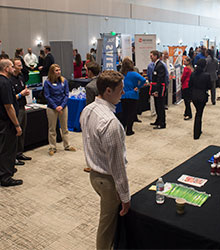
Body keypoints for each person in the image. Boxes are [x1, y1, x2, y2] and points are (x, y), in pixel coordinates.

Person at [80, 70, 130, 250]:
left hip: (94, 175)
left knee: (109, 221)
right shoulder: (111, 123)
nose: (123, 93)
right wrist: (125, 196)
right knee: (107, 226)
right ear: (108, 91)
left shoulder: (87, 110)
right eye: (120, 89)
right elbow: (117, 166)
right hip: (107, 181)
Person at [0, 59, 23, 187]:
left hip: (1, 120)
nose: (14, 69)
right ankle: (6, 178)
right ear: (6, 68)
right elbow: (9, 106)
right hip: (7, 122)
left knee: (5, 147)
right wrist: (17, 125)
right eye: (12, 67)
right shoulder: (4, 84)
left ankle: (8, 169)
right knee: (7, 149)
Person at [44, 64, 76, 156]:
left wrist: (61, 106)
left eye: (59, 70)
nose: (59, 72)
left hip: (63, 107)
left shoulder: (64, 81)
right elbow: (47, 96)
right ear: (52, 72)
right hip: (52, 108)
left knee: (64, 128)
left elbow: (66, 94)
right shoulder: (47, 82)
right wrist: (55, 107)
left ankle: (67, 145)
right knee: (52, 129)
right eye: (56, 70)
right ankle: (52, 147)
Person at [10, 58, 32, 164]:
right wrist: (21, 94)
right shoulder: (9, 80)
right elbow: (9, 98)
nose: (21, 67)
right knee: (16, 132)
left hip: (23, 107)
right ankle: (13, 157)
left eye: (21, 65)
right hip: (15, 109)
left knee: (22, 130)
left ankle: (19, 153)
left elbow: (24, 87)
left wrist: (25, 92)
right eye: (19, 66)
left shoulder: (21, 77)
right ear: (13, 67)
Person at [121, 58, 146, 136]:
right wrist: (138, 87)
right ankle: (129, 130)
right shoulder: (134, 73)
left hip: (123, 95)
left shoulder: (121, 74)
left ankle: (123, 129)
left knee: (124, 113)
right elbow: (143, 80)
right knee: (131, 113)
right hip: (133, 95)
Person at [189, 59, 211, 140]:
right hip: (202, 96)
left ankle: (198, 131)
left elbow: (189, 85)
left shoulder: (193, 74)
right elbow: (209, 86)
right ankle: (197, 133)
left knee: (198, 113)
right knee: (199, 114)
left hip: (194, 96)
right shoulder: (207, 75)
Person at [149, 50, 167, 129]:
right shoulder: (156, 65)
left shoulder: (160, 66)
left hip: (159, 89)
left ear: (156, 56)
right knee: (157, 105)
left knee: (160, 106)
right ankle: (158, 120)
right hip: (156, 88)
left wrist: (157, 91)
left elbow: (160, 80)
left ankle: (162, 123)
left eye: (151, 55)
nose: (150, 57)